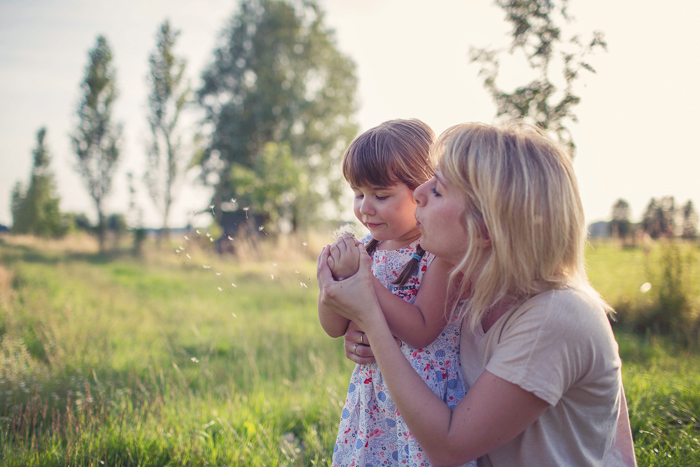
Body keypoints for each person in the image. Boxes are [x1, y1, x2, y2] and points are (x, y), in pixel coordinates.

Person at [318, 122, 637, 466]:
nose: (419, 193)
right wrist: (359, 325)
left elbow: (449, 448)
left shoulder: (555, 315)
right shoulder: (469, 298)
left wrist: (372, 318)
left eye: (438, 189)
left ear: (485, 227)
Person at [318, 119, 474, 467]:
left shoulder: (440, 255)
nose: (365, 208)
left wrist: (364, 283)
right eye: (358, 194)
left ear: (422, 190)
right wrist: (332, 285)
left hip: (425, 397)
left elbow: (421, 330)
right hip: (374, 398)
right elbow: (334, 327)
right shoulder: (366, 249)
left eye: (381, 195)